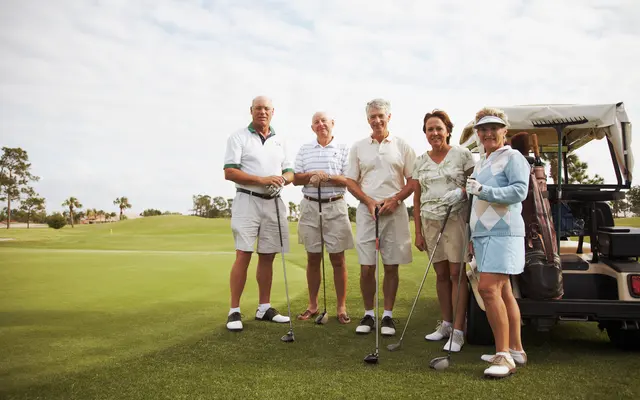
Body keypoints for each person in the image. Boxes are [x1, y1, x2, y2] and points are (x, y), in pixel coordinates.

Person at [465, 107, 530, 378]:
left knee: (488, 289)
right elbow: (476, 203)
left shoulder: (513, 157)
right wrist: (471, 235)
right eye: (483, 129)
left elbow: (519, 191)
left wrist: (484, 190)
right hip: (483, 234)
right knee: (503, 292)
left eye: (494, 127)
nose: (488, 133)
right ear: (478, 133)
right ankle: (516, 349)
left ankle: (503, 356)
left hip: (504, 232)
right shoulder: (482, 161)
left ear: (505, 131)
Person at [345, 98, 416, 336]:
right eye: (372, 117)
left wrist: (395, 200)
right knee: (367, 268)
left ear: (389, 117)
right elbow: (350, 181)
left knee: (391, 266)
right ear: (368, 120)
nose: (377, 120)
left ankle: (387, 315)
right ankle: (368, 314)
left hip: (394, 212)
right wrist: (368, 201)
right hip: (367, 213)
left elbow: (413, 180)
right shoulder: (358, 147)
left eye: (380, 116)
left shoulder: (402, 146)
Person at [223, 95, 295, 332]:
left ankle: (264, 307)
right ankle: (234, 310)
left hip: (273, 202)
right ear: (251, 111)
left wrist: (283, 179)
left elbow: (290, 172)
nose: (262, 112)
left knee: (267, 256)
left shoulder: (280, 139)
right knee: (243, 254)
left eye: (266, 109)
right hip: (247, 201)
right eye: (258, 108)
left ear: (273, 112)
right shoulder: (239, 137)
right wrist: (262, 180)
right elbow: (230, 172)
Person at [412, 109, 475, 353]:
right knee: (440, 275)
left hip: (456, 220)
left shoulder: (463, 154)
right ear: (425, 133)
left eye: (439, 128)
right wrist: (417, 231)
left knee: (456, 274)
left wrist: (461, 193)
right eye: (430, 129)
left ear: (448, 130)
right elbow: (417, 198)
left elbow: (475, 184)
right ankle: (447, 324)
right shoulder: (420, 160)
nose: (435, 133)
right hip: (430, 222)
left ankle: (459, 331)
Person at [293, 111, 354, 324]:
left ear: (332, 124)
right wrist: (312, 176)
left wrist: (326, 177)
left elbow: (347, 178)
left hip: (335, 206)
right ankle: (312, 305)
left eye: (324, 121)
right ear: (312, 128)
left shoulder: (344, 149)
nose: (321, 125)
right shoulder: (305, 149)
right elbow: (295, 178)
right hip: (310, 206)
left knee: (338, 258)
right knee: (313, 258)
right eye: (316, 122)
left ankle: (341, 307)